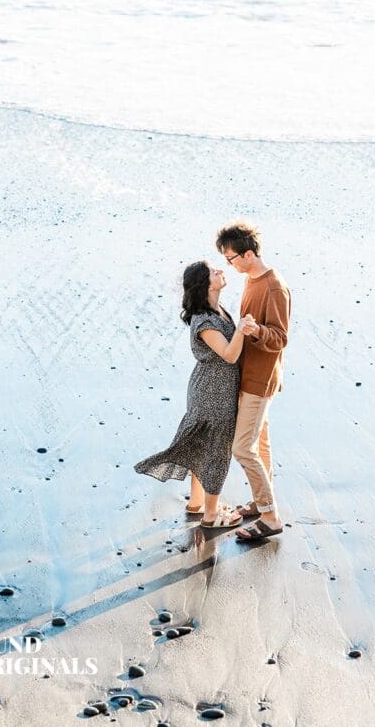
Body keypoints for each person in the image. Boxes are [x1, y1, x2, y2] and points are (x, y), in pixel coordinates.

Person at [134, 260, 253, 528]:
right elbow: (230, 355)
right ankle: (211, 516)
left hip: (214, 388)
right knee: (216, 451)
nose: (221, 271)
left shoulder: (218, 311)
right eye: (214, 272)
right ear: (204, 285)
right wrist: (244, 329)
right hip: (213, 393)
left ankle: (197, 503)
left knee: (202, 445)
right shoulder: (205, 321)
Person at [216, 222, 291, 541]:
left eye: (231, 258)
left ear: (248, 254)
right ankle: (263, 504)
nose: (228, 265)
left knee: (242, 447)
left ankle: (271, 516)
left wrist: (256, 331)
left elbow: (280, 337)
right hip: (249, 374)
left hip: (259, 380)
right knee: (260, 443)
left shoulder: (273, 286)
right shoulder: (251, 279)